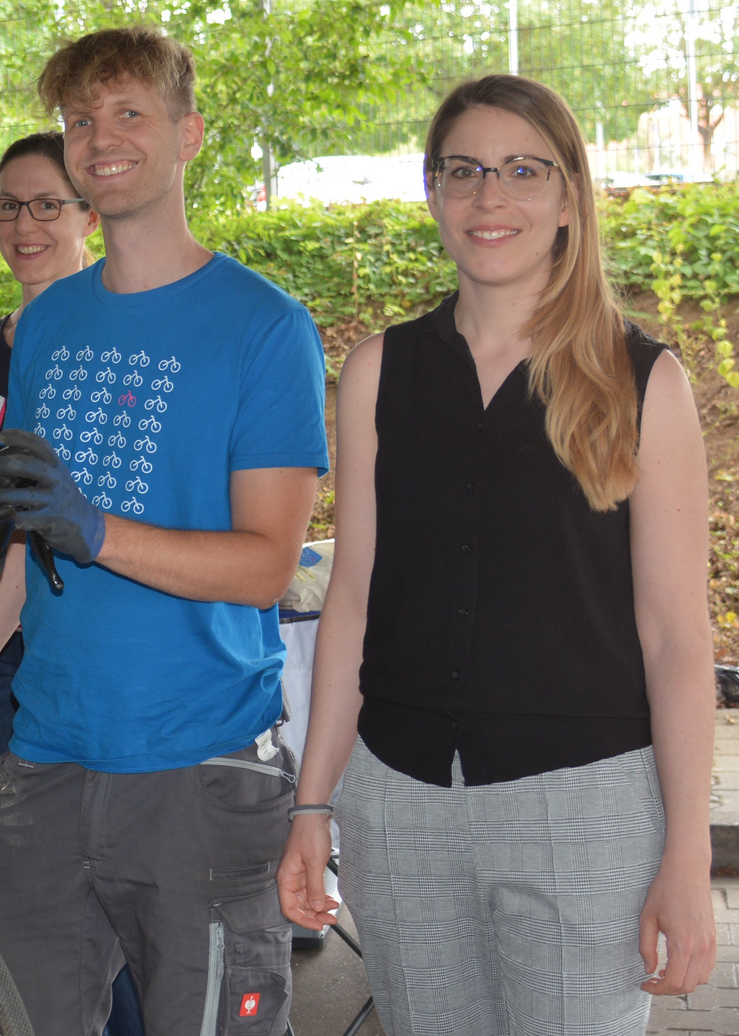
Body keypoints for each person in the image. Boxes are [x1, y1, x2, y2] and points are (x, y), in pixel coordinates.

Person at [0, 27, 329, 1035]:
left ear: (187, 136)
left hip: (198, 769)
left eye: (128, 113)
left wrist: (98, 531)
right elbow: (22, 541)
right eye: (80, 119)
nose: (99, 138)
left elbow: (265, 562)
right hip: (44, 766)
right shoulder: (45, 324)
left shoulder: (262, 327)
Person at [277, 74, 716, 1030]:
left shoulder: (644, 380)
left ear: (568, 198)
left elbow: (679, 637)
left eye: (523, 170)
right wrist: (314, 805)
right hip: (397, 807)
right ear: (433, 191)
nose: (490, 197)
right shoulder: (378, 372)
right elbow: (352, 600)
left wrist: (688, 853)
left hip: (585, 808)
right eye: (464, 170)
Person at [0, 131, 100, 767]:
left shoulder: (110, 345)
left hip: (74, 628)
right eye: (7, 206)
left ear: (90, 213)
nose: (23, 225)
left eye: (47, 205)